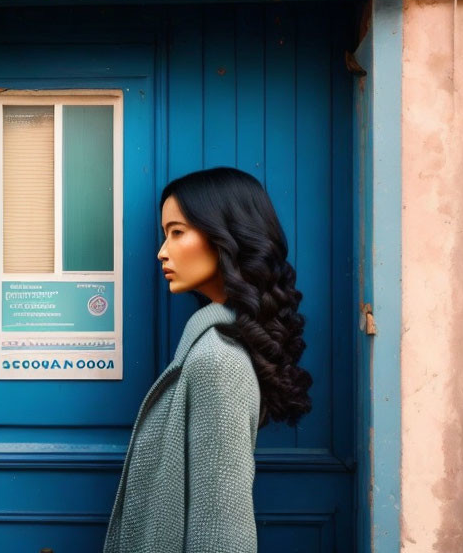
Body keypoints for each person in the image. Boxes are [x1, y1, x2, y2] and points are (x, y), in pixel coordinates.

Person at [103, 167, 313, 553]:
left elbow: (222, 528)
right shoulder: (212, 345)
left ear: (224, 237)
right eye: (165, 234)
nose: (162, 251)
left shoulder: (220, 362)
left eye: (177, 232)